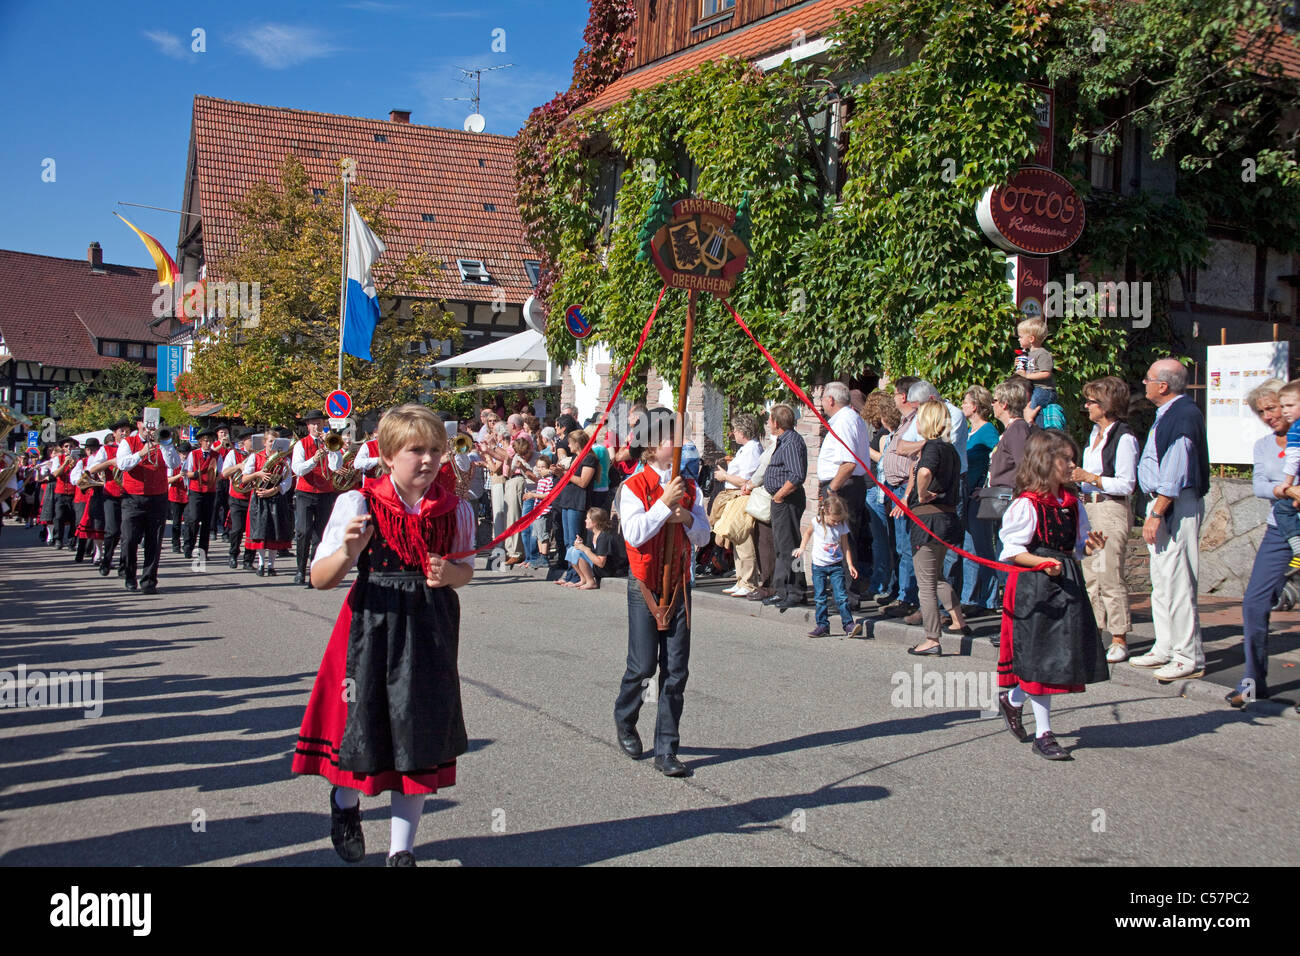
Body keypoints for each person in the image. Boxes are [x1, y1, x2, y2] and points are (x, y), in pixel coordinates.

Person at [293, 406, 475, 866]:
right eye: (417, 450)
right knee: (363, 726)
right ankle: (345, 804)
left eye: (436, 450)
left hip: (429, 628)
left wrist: (451, 572)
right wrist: (349, 553)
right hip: (370, 626)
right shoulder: (359, 503)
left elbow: (466, 571)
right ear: (390, 456)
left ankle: (401, 851)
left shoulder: (457, 508)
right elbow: (320, 578)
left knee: (418, 734)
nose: (430, 460)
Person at [995, 429, 1109, 760]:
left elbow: (1075, 548)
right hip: (1034, 586)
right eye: (1066, 459)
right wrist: (1042, 561)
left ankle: (1014, 699)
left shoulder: (1071, 503)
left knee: (1057, 655)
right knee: (1041, 656)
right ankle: (1044, 733)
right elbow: (1012, 551)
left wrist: (1088, 545)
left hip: (1065, 582)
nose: (1073, 465)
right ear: (1046, 462)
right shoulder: (1027, 504)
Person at [614, 409, 711, 777]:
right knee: (642, 667)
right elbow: (635, 534)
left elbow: (703, 536)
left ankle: (667, 748)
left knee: (675, 671)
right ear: (652, 446)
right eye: (672, 437)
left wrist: (686, 517)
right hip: (646, 585)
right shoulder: (633, 488)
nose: (680, 442)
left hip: (679, 588)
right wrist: (662, 505)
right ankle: (625, 718)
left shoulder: (691, 488)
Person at [1132, 358, 1209, 682]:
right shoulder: (1169, 414)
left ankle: (1187, 655)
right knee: (1162, 581)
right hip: (1165, 504)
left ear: (1163, 385)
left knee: (1177, 582)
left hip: (1174, 505)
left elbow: (1176, 472)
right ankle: (1165, 645)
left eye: (1148, 379)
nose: (1145, 383)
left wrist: (1156, 512)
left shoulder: (1183, 416)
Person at [1230, 380, 1291, 707]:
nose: (1268, 416)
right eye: (1261, 411)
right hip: (1279, 526)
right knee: (1254, 602)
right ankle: (1253, 682)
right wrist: (1283, 490)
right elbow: (1259, 485)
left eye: (1273, 408)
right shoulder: (1264, 445)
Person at [1069, 376, 1138, 663]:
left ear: (1107, 405)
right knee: (1092, 574)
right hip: (1089, 507)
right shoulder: (1093, 437)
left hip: (1110, 508)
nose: (1086, 406)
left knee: (1109, 573)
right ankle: (1095, 632)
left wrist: (1090, 477)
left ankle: (1119, 636)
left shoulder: (1124, 438)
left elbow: (1127, 484)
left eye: (1091, 401)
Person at [900, 401, 970, 654]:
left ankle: (932, 638)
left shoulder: (932, 446)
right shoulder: (951, 449)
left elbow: (925, 472)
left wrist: (920, 492)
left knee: (925, 584)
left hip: (928, 521)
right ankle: (959, 619)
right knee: (936, 577)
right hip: (947, 519)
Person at [816, 382, 871, 605]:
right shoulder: (846, 419)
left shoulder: (845, 420)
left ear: (831, 400)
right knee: (838, 538)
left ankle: (848, 594)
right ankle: (843, 591)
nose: (820, 403)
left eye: (822, 399)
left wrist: (832, 488)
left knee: (844, 539)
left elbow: (848, 462)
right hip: (844, 484)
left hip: (843, 486)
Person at [117, 413, 182, 593]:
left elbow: (174, 463)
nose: (149, 429)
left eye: (152, 426)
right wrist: (141, 453)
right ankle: (130, 576)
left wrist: (166, 445)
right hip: (133, 498)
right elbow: (122, 465)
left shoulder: (163, 443)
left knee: (154, 541)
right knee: (129, 539)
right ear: (139, 424)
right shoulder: (127, 443)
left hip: (158, 497)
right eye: (145, 425)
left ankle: (149, 581)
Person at [794, 491, 864, 638]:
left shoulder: (842, 525)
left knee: (841, 596)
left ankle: (848, 624)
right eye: (834, 521)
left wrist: (850, 564)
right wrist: (802, 548)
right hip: (819, 566)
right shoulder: (817, 522)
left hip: (836, 565)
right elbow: (807, 534)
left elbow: (845, 545)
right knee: (820, 597)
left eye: (839, 521)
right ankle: (822, 625)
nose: (836, 523)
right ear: (825, 513)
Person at [761, 404, 808, 610]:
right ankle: (786, 589)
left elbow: (796, 475)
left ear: (777, 423)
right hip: (782, 500)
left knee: (789, 548)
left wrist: (779, 496)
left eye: (770, 420)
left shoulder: (791, 443)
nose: (768, 424)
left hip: (787, 500)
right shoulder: (784, 441)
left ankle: (793, 591)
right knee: (784, 547)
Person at [712, 413, 764, 597]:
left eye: (735, 430)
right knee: (736, 539)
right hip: (736, 496)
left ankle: (749, 582)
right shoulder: (747, 448)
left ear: (743, 431)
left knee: (743, 539)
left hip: (742, 496)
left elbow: (745, 479)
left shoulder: (752, 450)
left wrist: (725, 476)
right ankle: (741, 579)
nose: (733, 433)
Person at [959, 386, 1000, 617]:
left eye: (965, 402)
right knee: (969, 546)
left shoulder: (988, 431)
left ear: (974, 406)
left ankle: (990, 598)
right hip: (966, 494)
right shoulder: (967, 431)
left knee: (983, 546)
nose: (963, 405)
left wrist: (985, 487)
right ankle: (970, 597)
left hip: (979, 496)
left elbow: (997, 458)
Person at [290, 410, 343, 588]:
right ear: (308, 426)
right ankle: (300, 570)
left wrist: (332, 448)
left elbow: (336, 466)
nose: (316, 426)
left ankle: (315, 571)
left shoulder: (330, 442)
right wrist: (313, 460)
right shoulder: (300, 445)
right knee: (303, 531)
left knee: (321, 535)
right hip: (305, 492)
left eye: (319, 423)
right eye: (313, 423)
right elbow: (298, 470)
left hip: (326, 492)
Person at [861, 391, 900, 605]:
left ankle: (881, 583)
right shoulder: (882, 432)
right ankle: (883, 582)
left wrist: (864, 449)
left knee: (882, 540)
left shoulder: (886, 433)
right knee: (881, 540)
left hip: (877, 489)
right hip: (874, 488)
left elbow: (884, 459)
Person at [243, 428, 295, 576]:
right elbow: (244, 478)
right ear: (265, 442)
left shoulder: (284, 459)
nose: (272, 444)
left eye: (275, 441)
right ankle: (261, 564)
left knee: (274, 533)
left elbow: (288, 481)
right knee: (261, 532)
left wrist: (274, 490)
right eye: (270, 441)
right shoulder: (255, 457)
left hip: (275, 496)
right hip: (259, 497)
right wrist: (258, 474)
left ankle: (271, 566)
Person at [88, 420, 131, 577]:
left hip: (131, 495)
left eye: (127, 430)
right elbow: (91, 469)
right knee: (112, 531)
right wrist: (110, 462)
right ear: (114, 434)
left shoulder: (134, 448)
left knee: (128, 534)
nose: (124, 433)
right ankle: (106, 560)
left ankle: (124, 566)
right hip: (111, 495)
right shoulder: (106, 449)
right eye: (121, 431)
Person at [1267, 380, 1300, 568]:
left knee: (1283, 509)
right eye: (1283, 406)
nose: (1285, 411)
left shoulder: (1296, 429)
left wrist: (1287, 484)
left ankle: (1298, 549)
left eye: (1290, 405)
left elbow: (1294, 458)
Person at [556, 430, 598, 570]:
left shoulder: (589, 458)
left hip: (578, 502)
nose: (568, 445)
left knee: (576, 540)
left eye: (570, 442)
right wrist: (559, 473)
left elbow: (583, 482)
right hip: (567, 500)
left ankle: (580, 574)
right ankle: (572, 572)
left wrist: (565, 474)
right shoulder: (575, 457)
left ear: (577, 443)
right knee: (568, 541)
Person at [183, 429, 220, 559]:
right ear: (200, 441)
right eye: (206, 441)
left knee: (206, 522)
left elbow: (219, 473)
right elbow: (186, 472)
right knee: (193, 519)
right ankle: (188, 547)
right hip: (195, 490)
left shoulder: (216, 455)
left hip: (210, 491)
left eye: (210, 441)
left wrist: (215, 477)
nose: (208, 443)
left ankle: (203, 552)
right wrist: (194, 475)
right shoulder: (193, 454)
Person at [222, 429, 256, 570]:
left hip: (253, 496)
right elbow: (224, 473)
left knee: (252, 530)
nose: (253, 442)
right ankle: (233, 554)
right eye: (250, 439)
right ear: (244, 441)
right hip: (237, 497)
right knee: (236, 529)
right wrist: (238, 466)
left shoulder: (258, 455)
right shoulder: (233, 453)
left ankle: (249, 560)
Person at [1015, 317, 1058, 427]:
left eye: (1020, 337)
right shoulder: (1028, 354)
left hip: (1044, 390)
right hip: (1034, 388)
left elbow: (1046, 373)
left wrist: (1027, 375)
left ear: (1031, 339)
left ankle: (1037, 429)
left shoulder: (1042, 354)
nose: (1018, 339)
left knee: (1033, 409)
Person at [562, 506, 617, 589]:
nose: (585, 521)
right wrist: (580, 544)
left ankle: (591, 581)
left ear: (595, 522)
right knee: (572, 550)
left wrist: (584, 549)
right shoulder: (591, 533)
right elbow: (590, 551)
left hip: (606, 570)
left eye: (588, 519)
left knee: (578, 552)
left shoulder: (603, 537)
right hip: (595, 567)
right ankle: (583, 579)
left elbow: (601, 563)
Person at [166, 443, 190, 554]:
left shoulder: (190, 464)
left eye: (186, 453)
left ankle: (187, 544)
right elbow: (168, 480)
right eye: (182, 453)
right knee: (176, 522)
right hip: (175, 495)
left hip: (188, 495)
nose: (184, 456)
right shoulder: (173, 464)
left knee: (188, 521)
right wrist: (179, 475)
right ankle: (175, 544)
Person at [212, 424, 232, 541]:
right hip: (217, 478)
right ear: (218, 435)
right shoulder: (214, 445)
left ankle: (226, 532)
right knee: (215, 505)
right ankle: (213, 530)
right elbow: (212, 453)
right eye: (221, 433)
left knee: (227, 506)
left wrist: (229, 445)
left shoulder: (230, 445)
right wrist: (221, 444)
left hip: (228, 478)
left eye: (225, 433)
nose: (224, 435)